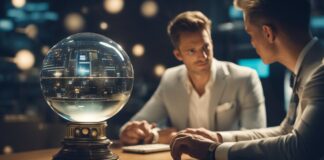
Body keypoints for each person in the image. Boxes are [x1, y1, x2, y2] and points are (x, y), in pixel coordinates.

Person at [170, 0, 324, 160]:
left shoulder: (320, 73)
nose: (252, 42)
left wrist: (213, 151)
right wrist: (217, 138)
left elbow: (299, 148)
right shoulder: (308, 68)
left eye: (250, 34)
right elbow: (286, 131)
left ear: (268, 33)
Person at [120, 11, 266, 145]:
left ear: (212, 44)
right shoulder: (170, 80)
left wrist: (170, 137)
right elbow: (132, 126)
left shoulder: (245, 78)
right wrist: (131, 132)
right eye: (192, 51)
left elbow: (257, 136)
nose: (203, 56)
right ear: (178, 55)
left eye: (206, 47)